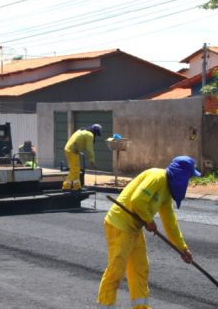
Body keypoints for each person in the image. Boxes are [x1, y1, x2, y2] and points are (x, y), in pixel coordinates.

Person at [97, 156, 200, 309]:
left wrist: (182, 248)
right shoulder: (157, 177)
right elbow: (137, 200)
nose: (188, 182)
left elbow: (170, 223)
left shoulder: (166, 191)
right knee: (116, 271)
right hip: (120, 224)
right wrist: (149, 220)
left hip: (134, 228)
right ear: (181, 175)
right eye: (189, 177)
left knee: (140, 269)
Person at [62, 124, 102, 190]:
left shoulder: (81, 130)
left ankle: (76, 186)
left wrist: (77, 150)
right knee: (75, 169)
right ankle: (66, 186)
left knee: (76, 168)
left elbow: (75, 140)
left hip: (69, 149)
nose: (96, 136)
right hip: (72, 150)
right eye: (96, 134)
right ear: (95, 131)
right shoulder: (90, 135)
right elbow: (90, 149)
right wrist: (92, 161)